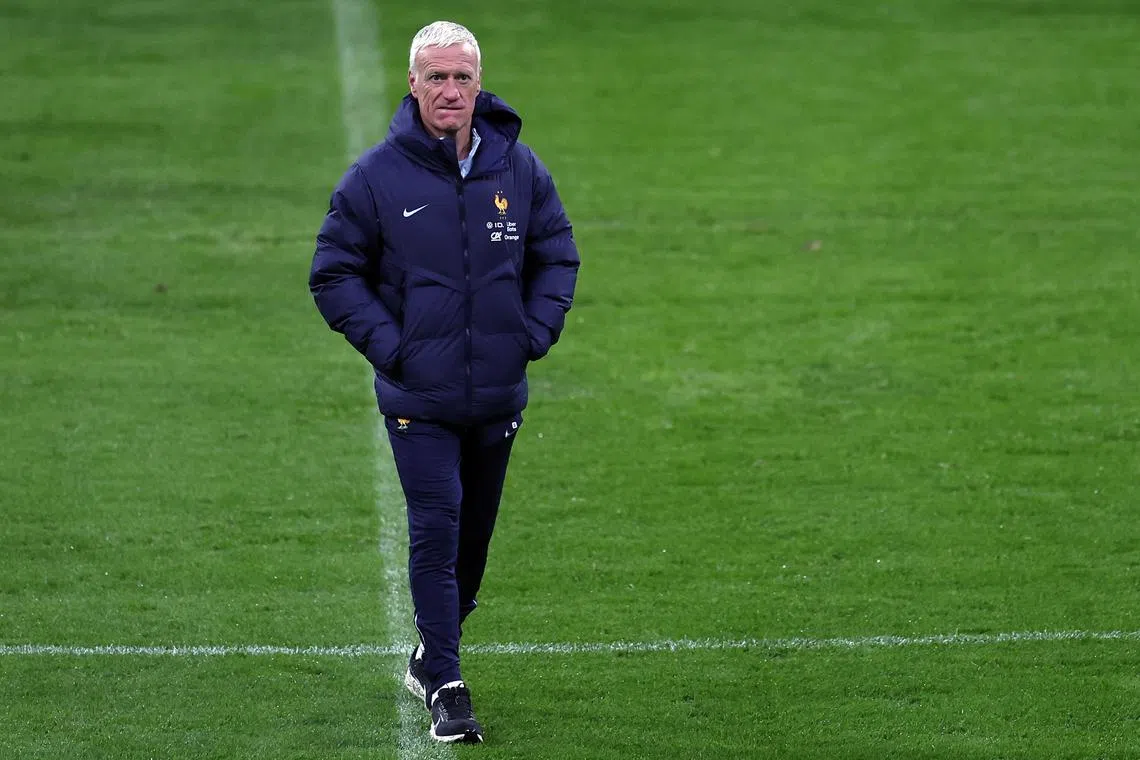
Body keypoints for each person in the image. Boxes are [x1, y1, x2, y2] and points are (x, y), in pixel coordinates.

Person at [309, 20, 579, 744]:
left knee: (474, 549)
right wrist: (394, 350)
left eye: (462, 77)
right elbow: (332, 273)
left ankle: (431, 654)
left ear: (479, 82)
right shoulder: (375, 178)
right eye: (436, 77)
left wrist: (533, 333)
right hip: (418, 401)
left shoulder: (519, 170)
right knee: (437, 528)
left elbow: (557, 253)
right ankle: (449, 688)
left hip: (496, 395)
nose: (451, 90)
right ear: (413, 84)